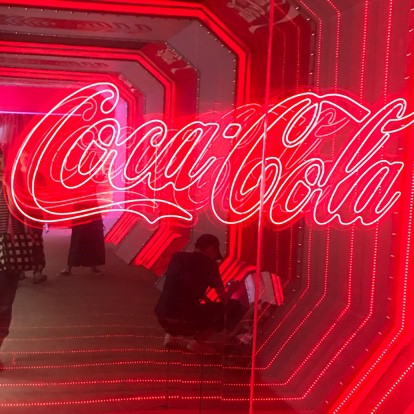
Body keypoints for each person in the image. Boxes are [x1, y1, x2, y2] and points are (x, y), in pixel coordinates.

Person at [155, 234, 240, 352]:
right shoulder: (210, 265)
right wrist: (232, 289)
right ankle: (197, 342)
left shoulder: (178, 257)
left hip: (162, 317)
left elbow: (181, 287)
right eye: (215, 253)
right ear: (210, 249)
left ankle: (171, 336)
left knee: (177, 302)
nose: (214, 257)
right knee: (232, 306)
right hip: (184, 321)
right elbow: (224, 301)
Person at [0, 149, 20, 372]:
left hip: (7, 254)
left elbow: (18, 213)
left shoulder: (11, 187)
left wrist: (8, 185)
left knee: (4, 306)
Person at [60, 210, 105, 276]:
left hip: (82, 214)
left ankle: (69, 268)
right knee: (90, 241)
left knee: (78, 241)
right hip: (89, 214)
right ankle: (93, 267)